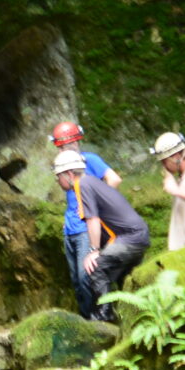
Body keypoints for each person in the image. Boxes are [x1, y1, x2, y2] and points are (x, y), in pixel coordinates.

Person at [56, 148, 148, 320]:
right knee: (120, 275)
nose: (57, 180)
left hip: (129, 239)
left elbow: (93, 219)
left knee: (95, 267)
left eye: (58, 176)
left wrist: (93, 250)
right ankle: (131, 316)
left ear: (69, 173)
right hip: (134, 237)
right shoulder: (91, 182)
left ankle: (104, 315)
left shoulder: (83, 185)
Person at [47, 121, 119, 316]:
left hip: (86, 230)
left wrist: (99, 206)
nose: (64, 149)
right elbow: (72, 198)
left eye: (66, 145)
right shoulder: (64, 164)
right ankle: (86, 319)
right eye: (61, 146)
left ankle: (100, 316)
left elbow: (114, 179)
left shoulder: (88, 161)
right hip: (70, 229)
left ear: (75, 143)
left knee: (86, 275)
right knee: (77, 281)